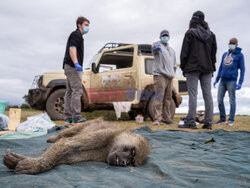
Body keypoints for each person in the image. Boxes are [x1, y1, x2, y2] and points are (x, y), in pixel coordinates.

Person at [179, 11, 217, 129]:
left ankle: (190, 121)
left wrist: (183, 67)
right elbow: (213, 54)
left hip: (192, 67)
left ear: (193, 19)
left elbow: (184, 52)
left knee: (193, 95)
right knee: (208, 95)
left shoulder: (190, 33)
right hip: (207, 68)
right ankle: (208, 122)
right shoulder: (211, 35)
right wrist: (212, 67)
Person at [63, 16, 90, 124]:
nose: (88, 28)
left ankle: (68, 117)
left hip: (68, 66)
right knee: (76, 91)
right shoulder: (76, 34)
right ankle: (76, 117)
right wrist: (76, 63)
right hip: (73, 66)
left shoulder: (78, 35)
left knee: (69, 92)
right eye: (86, 25)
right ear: (79, 25)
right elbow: (72, 48)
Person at [214, 38, 245, 126]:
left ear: (236, 44)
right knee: (219, 100)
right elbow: (221, 67)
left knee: (232, 100)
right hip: (223, 81)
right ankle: (222, 119)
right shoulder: (224, 54)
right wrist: (217, 79)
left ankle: (231, 120)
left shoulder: (240, 55)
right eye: (230, 43)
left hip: (232, 81)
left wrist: (240, 82)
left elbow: (243, 69)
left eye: (233, 43)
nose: (231, 45)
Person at [152, 30, 177, 125]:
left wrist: (172, 74)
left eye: (166, 36)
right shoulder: (158, 46)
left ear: (169, 37)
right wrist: (156, 48)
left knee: (168, 98)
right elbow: (154, 48)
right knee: (159, 97)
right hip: (160, 75)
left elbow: (174, 65)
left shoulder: (172, 51)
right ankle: (157, 119)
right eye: (163, 36)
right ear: (160, 37)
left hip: (170, 77)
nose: (165, 37)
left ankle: (167, 118)